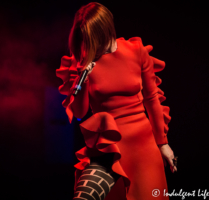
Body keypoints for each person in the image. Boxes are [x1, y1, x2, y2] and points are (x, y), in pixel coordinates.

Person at [56, 2, 177, 200]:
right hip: (108, 148)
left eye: (93, 38)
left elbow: (152, 99)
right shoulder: (82, 62)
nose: (89, 44)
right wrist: (82, 78)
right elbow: (79, 112)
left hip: (142, 147)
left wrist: (163, 144)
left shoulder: (136, 50)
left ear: (105, 31)